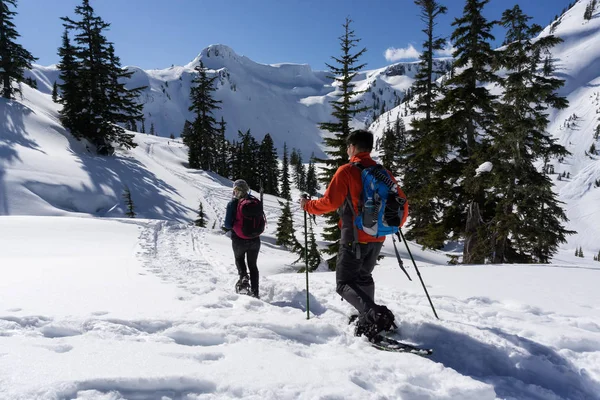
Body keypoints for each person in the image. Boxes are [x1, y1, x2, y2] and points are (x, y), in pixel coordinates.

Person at [300, 129, 408, 340]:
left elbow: (329, 203)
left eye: (347, 147)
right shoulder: (382, 172)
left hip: (354, 238)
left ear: (352, 147)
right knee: (364, 276)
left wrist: (308, 206)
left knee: (344, 284)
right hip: (377, 237)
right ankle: (367, 318)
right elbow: (402, 203)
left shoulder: (347, 171)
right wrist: (389, 228)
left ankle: (373, 315)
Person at [223, 179, 261, 298]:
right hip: (255, 239)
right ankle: (255, 292)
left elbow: (228, 225)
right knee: (253, 265)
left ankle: (244, 277)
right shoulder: (254, 201)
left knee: (239, 259)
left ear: (235, 190)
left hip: (239, 238)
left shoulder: (233, 203)